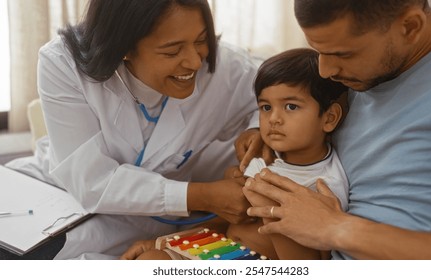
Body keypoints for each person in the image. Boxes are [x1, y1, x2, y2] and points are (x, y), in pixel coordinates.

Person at [4, 0, 262, 260]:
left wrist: (256, 130)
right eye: (172, 52)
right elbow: (91, 181)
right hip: (48, 193)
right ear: (123, 48)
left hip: (134, 225)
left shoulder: (229, 69)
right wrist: (202, 196)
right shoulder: (62, 62)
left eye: (201, 40)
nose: (195, 62)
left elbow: (283, 94)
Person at [242, 0, 431, 259]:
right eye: (318, 51)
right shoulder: (352, 79)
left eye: (343, 54)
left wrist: (336, 228)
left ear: (409, 26)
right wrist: (261, 130)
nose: (326, 71)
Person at [120, 48, 349, 260]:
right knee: (150, 261)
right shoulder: (263, 160)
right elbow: (226, 220)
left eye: (290, 107)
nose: (274, 119)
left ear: (329, 118)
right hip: (224, 251)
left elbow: (306, 264)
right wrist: (163, 243)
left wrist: (272, 210)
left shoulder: (324, 186)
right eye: (266, 107)